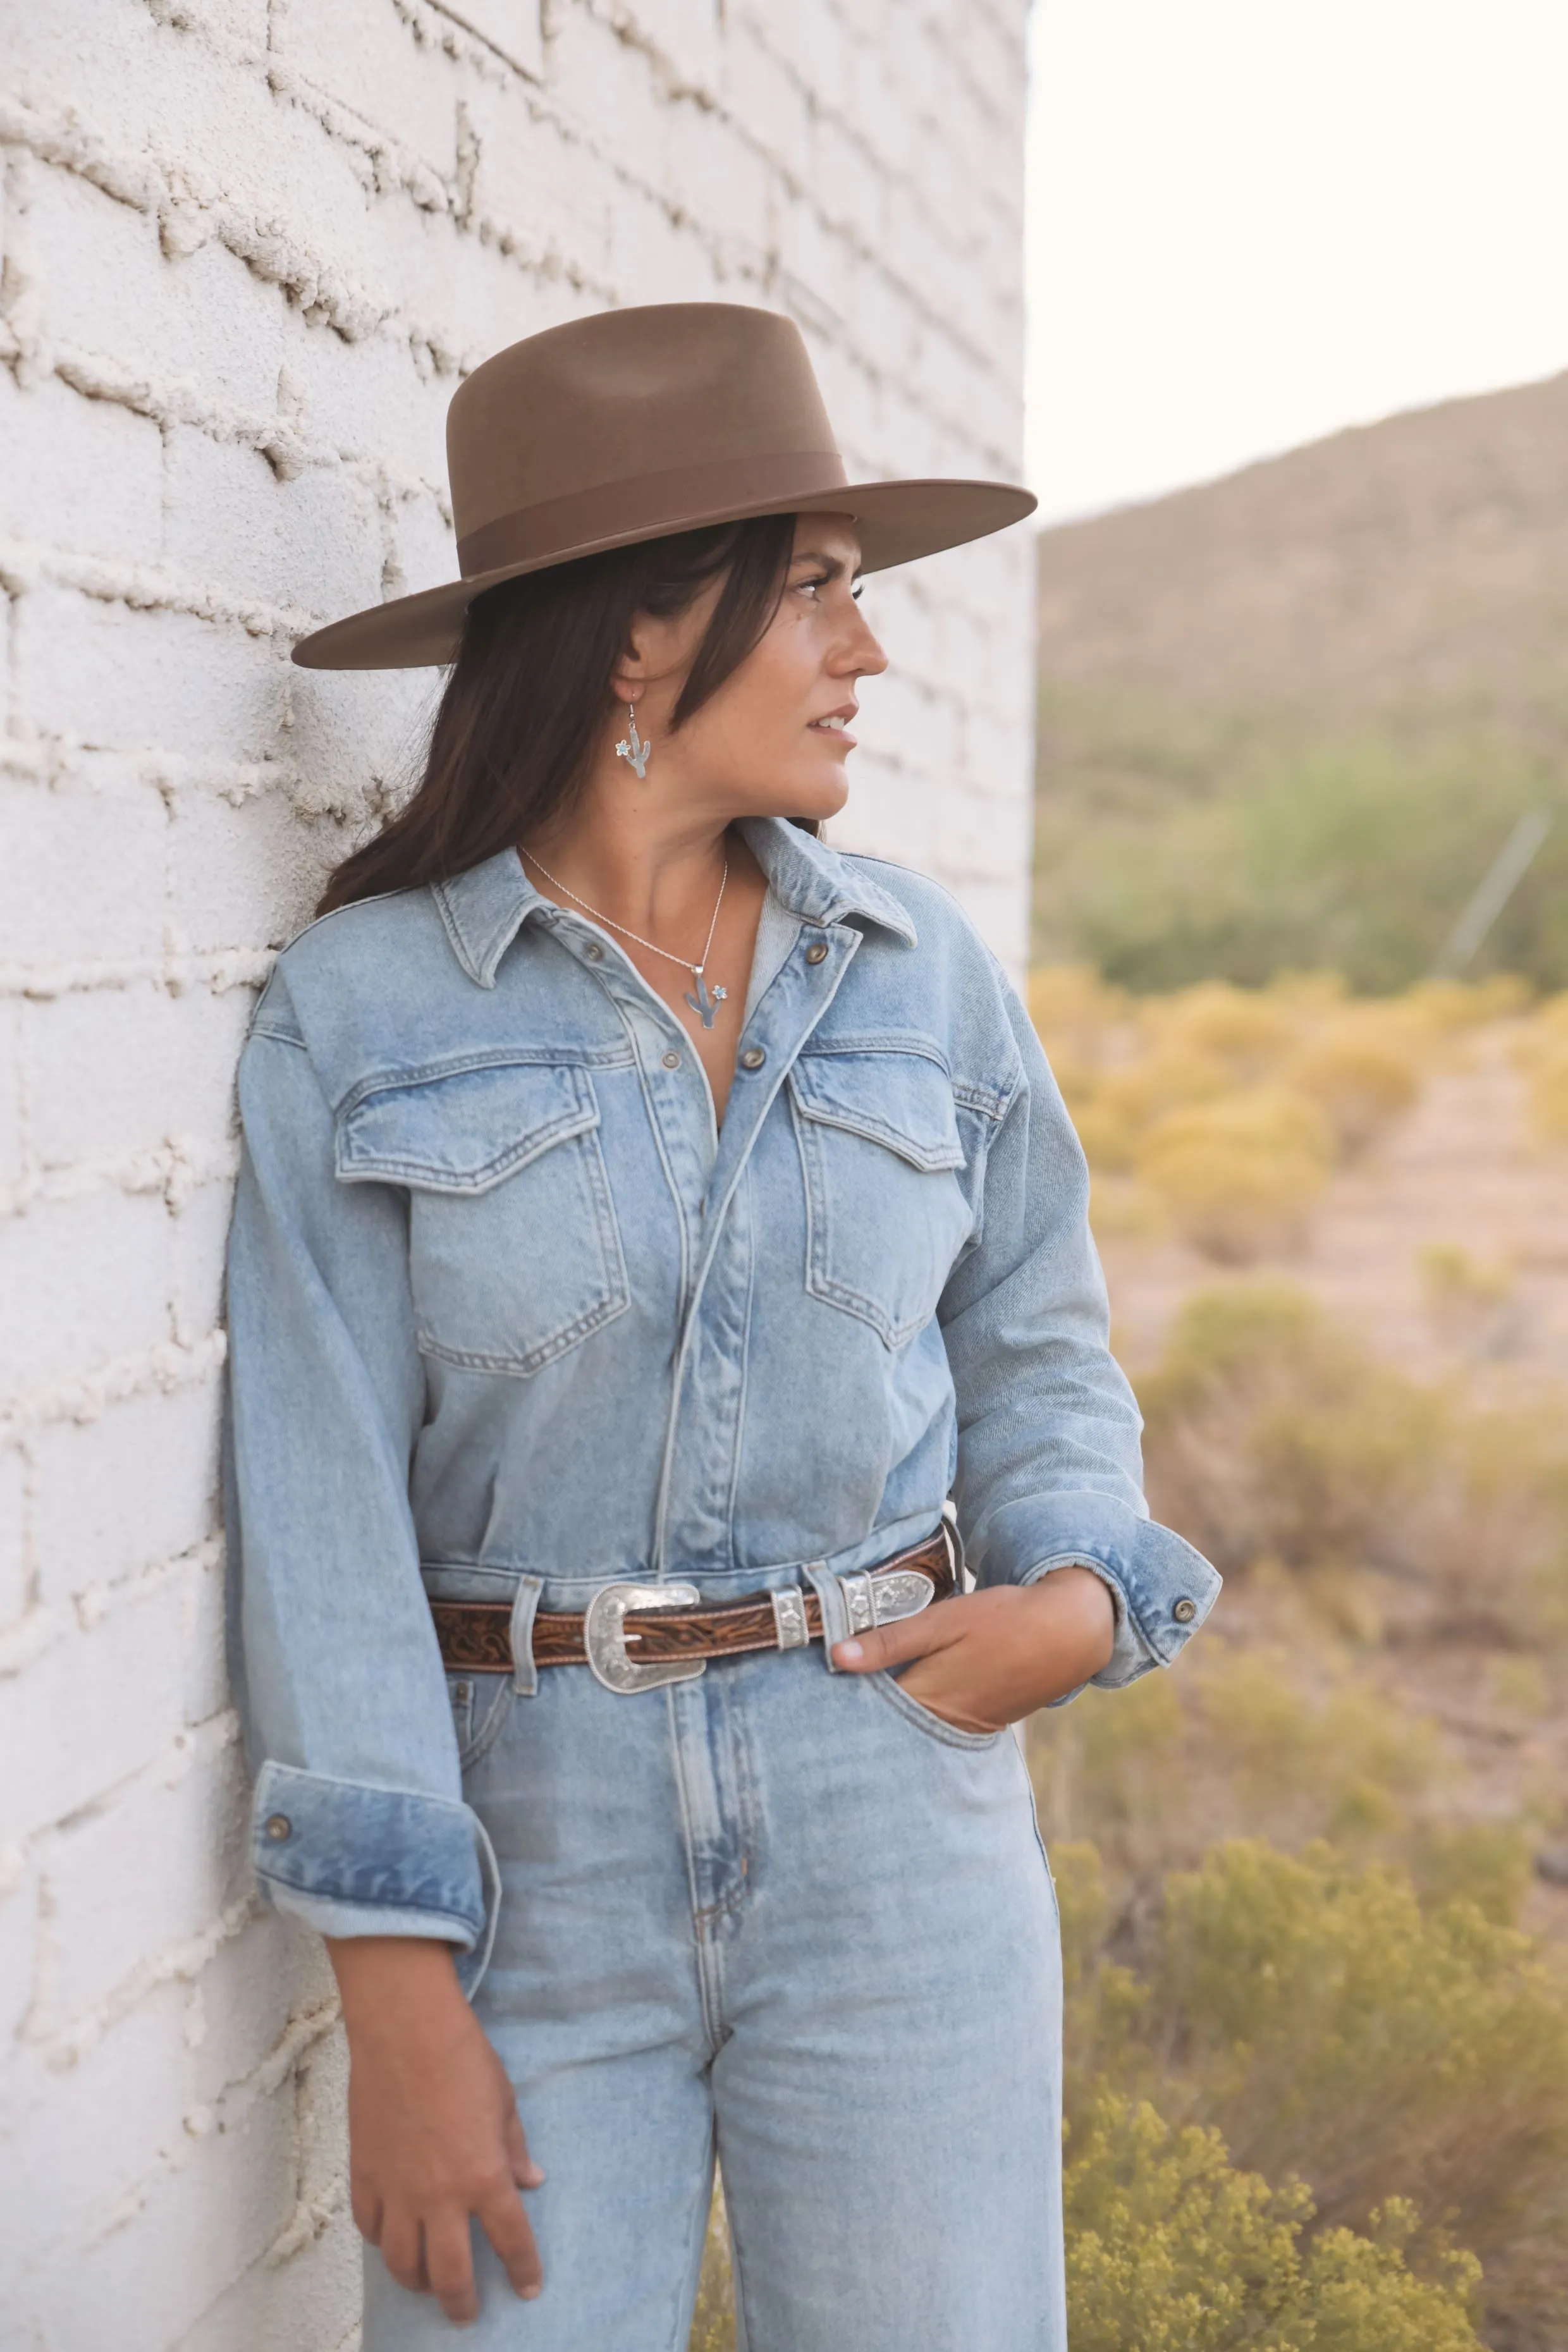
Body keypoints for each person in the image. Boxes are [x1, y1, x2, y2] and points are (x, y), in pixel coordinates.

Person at [223, 302, 1220, 2351]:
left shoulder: (921, 972)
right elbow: (320, 1518)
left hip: (898, 1819)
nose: (870, 651)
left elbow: (1036, 1339)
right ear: (630, 637)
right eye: (823, 595)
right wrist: (398, 2001)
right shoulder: (368, 1010)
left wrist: (1086, 1599)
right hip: (528, 1861)